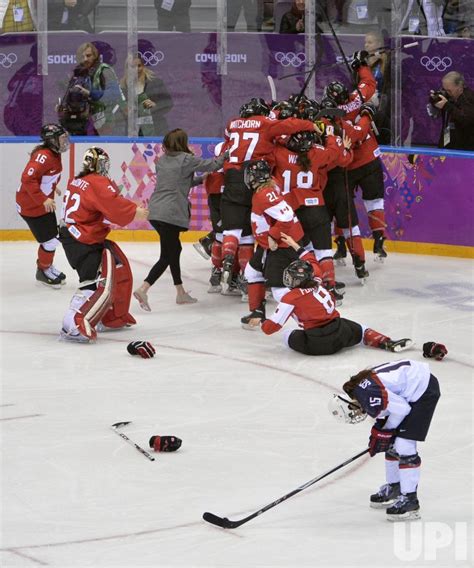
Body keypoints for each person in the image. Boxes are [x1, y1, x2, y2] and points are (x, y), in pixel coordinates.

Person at [331, 354, 445, 520]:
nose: (355, 414)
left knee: (404, 445)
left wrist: (386, 431)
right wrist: (382, 431)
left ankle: (410, 501)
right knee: (391, 443)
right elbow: (389, 407)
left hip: (423, 389)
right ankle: (395, 487)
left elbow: (402, 409)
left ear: (349, 404)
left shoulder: (367, 394)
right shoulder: (361, 391)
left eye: (352, 412)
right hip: (412, 387)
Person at [260, 233, 413, 356]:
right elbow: (311, 260)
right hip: (339, 332)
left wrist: (261, 319)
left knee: (287, 335)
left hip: (316, 343)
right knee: (361, 329)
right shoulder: (317, 279)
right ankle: (386, 341)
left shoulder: (290, 298)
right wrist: (295, 245)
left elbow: (270, 328)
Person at [59, 147, 149, 343]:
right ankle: (73, 323)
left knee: (119, 265)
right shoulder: (98, 182)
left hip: (75, 235)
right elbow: (114, 206)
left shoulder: (78, 180)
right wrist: (135, 211)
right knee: (93, 283)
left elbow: (96, 208)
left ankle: (112, 317)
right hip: (83, 239)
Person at [133, 128, 227, 311]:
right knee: (167, 255)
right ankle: (144, 288)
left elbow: (177, 182)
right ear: (182, 142)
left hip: (156, 211)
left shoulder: (161, 161)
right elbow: (213, 165)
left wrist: (199, 180)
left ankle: (180, 292)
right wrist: (229, 153)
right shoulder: (186, 159)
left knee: (174, 250)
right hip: (171, 213)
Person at [16, 124, 70, 288]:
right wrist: (43, 199)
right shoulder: (43, 156)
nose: (65, 142)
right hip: (32, 207)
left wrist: (54, 186)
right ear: (51, 140)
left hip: (41, 205)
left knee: (52, 238)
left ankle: (46, 266)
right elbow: (27, 179)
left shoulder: (53, 154)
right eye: (61, 139)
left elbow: (44, 176)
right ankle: (43, 270)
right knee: (51, 241)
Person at [59, 42, 126, 136]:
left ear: (95, 56)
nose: (85, 59)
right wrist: (63, 106)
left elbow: (115, 94)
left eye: (88, 55)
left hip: (109, 120)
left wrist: (90, 93)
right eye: (82, 57)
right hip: (86, 122)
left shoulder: (104, 70)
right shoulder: (78, 73)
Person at [120, 53, 173, 137]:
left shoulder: (156, 83)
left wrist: (155, 105)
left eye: (139, 66)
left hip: (156, 130)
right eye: (132, 67)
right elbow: (117, 111)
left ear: (144, 66)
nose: (136, 69)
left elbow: (168, 103)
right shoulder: (123, 87)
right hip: (134, 133)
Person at [428, 71, 474, 151]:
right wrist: (434, 102)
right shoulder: (449, 97)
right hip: (447, 137)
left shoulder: (469, 98)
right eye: (444, 89)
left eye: (449, 90)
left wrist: (446, 106)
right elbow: (433, 115)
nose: (446, 93)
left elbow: (466, 119)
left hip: (464, 147)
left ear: (459, 87)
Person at [364, 30, 391, 144]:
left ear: (379, 43)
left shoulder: (388, 60)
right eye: (365, 42)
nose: (366, 45)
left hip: (382, 104)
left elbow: (389, 83)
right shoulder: (363, 61)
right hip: (366, 100)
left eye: (370, 42)